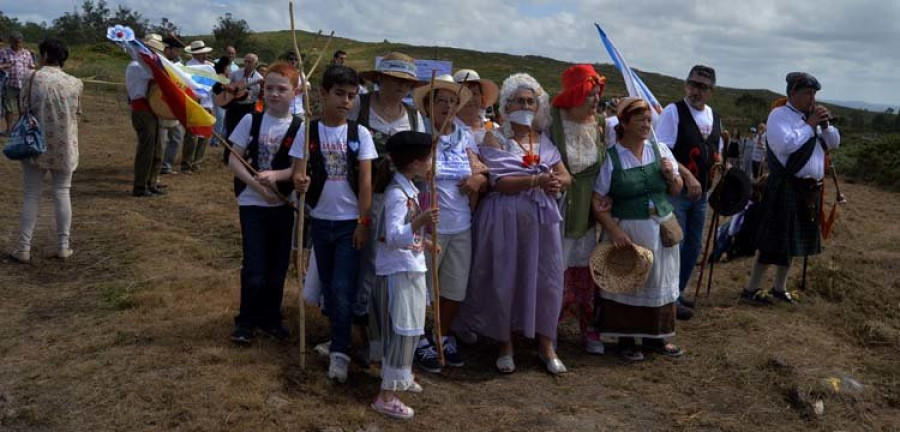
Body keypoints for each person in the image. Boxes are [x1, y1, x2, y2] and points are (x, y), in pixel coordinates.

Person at [456, 73, 572, 375]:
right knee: (505, 277)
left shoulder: (544, 140)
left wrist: (556, 183)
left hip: (541, 222)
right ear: (506, 106)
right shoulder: (495, 138)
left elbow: (565, 174)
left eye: (530, 101)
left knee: (546, 280)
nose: (525, 104)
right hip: (504, 219)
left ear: (538, 107)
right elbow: (499, 181)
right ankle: (504, 342)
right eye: (518, 100)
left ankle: (546, 344)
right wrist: (536, 179)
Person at [291, 65, 376, 383]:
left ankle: (340, 352)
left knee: (343, 287)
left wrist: (363, 220)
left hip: (348, 223)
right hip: (319, 220)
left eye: (352, 96)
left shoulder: (360, 134)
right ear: (323, 93)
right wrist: (300, 182)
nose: (346, 101)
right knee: (329, 286)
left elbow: (366, 182)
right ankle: (336, 339)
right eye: (339, 94)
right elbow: (299, 171)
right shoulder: (307, 131)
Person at [341, 52, 424, 364]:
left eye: (406, 82)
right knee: (365, 264)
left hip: (401, 200)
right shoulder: (360, 107)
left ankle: (382, 330)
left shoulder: (415, 117)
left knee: (390, 262)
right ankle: (357, 328)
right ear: (380, 79)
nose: (400, 86)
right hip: (361, 196)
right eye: (394, 80)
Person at [592, 97, 685, 361]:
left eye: (649, 120)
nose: (647, 125)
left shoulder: (661, 150)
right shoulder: (612, 159)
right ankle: (625, 340)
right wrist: (613, 229)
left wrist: (672, 176)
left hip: (662, 227)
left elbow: (677, 190)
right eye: (640, 120)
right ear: (624, 123)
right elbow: (598, 200)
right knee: (629, 282)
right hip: (628, 230)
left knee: (660, 280)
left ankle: (656, 337)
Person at [742, 72, 839, 305]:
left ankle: (779, 287)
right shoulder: (779, 115)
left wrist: (825, 126)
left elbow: (834, 143)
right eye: (807, 93)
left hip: (808, 190)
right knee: (772, 239)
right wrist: (811, 125)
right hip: (786, 185)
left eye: (814, 93)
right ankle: (752, 288)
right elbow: (786, 145)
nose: (812, 98)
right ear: (792, 93)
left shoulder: (812, 118)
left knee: (793, 241)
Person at [409, 75, 482, 373]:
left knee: (454, 287)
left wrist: (478, 178)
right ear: (428, 106)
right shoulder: (420, 131)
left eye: (453, 102)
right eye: (441, 102)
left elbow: (479, 167)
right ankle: (417, 340)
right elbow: (408, 170)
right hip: (427, 223)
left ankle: (442, 334)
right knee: (421, 287)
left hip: (460, 223)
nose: (448, 108)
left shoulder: (464, 134)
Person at [226, 62, 303, 344]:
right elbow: (234, 159)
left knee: (278, 265)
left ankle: (271, 317)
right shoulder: (251, 120)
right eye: (269, 87)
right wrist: (258, 185)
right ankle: (246, 321)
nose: (273, 93)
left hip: (283, 205)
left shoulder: (300, 128)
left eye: (281, 89)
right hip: (252, 204)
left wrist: (277, 176)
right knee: (255, 266)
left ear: (295, 93)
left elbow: (298, 168)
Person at [369, 131, 439, 420]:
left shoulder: (406, 187)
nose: (432, 162)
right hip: (399, 272)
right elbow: (393, 235)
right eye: (429, 158)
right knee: (402, 329)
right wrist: (420, 222)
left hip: (409, 266)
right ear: (415, 162)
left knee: (409, 327)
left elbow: (406, 236)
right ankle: (386, 395)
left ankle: (401, 376)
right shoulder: (398, 195)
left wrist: (425, 241)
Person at [655, 65, 724, 320]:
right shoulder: (674, 112)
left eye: (703, 87)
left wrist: (719, 164)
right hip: (677, 193)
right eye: (693, 84)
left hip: (703, 194)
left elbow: (716, 149)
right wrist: (687, 175)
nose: (696, 91)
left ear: (711, 91)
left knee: (693, 247)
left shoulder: (715, 117)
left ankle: (677, 292)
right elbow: (663, 149)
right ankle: (668, 298)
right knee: (675, 244)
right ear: (686, 85)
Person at [548, 64, 608, 355]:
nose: (596, 100)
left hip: (587, 210)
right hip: (558, 206)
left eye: (598, 94)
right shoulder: (551, 123)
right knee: (556, 267)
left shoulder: (600, 126)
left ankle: (588, 327)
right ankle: (549, 328)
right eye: (591, 94)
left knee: (585, 269)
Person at [9, 39, 83, 264]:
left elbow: (23, 107)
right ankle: (63, 246)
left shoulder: (30, 78)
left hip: (34, 144)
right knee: (62, 192)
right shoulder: (76, 83)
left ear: (44, 55)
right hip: (64, 145)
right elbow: (77, 112)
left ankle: (23, 248)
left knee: (31, 194)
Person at [126, 34, 166, 197]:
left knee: (156, 148)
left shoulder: (143, 66)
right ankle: (140, 186)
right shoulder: (138, 66)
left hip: (150, 109)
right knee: (147, 150)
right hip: (142, 109)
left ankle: (151, 182)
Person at [0, 31, 36, 135]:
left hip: (24, 85)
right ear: (11, 41)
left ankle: (20, 129)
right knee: (9, 108)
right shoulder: (3, 52)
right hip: (10, 84)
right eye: (15, 42)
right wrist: (5, 66)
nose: (18, 44)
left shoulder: (26, 53)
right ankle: (9, 129)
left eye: (19, 42)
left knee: (22, 108)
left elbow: (31, 67)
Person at [452, 68, 499, 145]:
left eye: (475, 93)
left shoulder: (491, 127)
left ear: (481, 97)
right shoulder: (448, 128)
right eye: (464, 94)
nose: (470, 99)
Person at [159, 37, 185, 175]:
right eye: (175, 50)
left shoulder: (179, 65)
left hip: (175, 107)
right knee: (161, 140)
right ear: (167, 50)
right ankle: (156, 166)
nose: (177, 53)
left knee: (176, 138)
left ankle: (166, 165)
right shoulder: (159, 64)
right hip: (161, 106)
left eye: (178, 50)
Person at [225, 53, 262, 136]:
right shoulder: (235, 73)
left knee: (244, 133)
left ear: (256, 64)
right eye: (246, 61)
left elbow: (256, 96)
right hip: (234, 106)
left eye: (250, 62)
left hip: (248, 108)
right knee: (230, 132)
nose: (247, 64)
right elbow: (227, 84)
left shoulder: (259, 79)